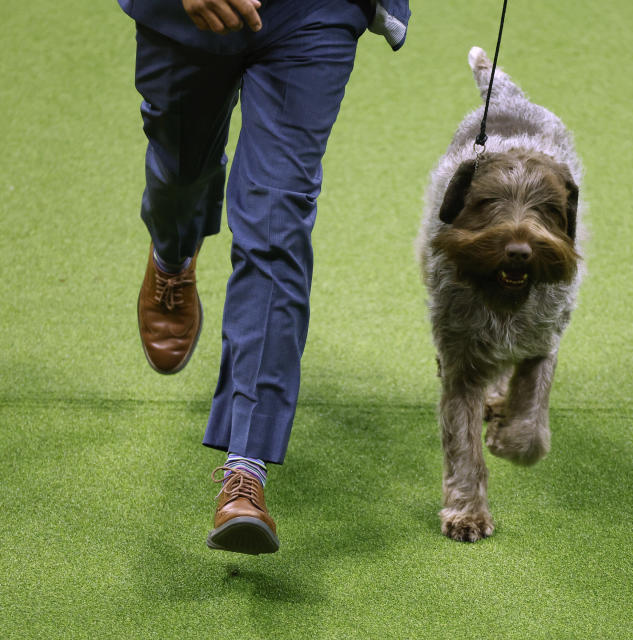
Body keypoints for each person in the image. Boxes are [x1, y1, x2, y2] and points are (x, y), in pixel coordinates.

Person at [117, 0, 410, 555]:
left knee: (276, 223)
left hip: (316, 11)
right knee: (180, 173)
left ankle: (244, 473)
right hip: (185, 14)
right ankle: (173, 256)